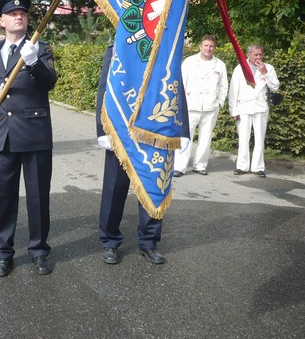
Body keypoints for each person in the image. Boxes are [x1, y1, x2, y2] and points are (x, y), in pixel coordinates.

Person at [0, 0, 57, 277]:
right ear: (2, 20)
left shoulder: (40, 48)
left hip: (34, 134)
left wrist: (33, 62)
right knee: (5, 197)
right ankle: (3, 251)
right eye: (12, 14)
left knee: (37, 197)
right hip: (5, 136)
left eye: (22, 13)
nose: (18, 16)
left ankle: (39, 249)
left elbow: (50, 83)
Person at [96, 44, 190, 265]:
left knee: (154, 187)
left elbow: (176, 86)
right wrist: (103, 130)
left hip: (155, 129)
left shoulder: (165, 46)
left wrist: (182, 129)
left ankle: (149, 242)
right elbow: (105, 88)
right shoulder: (117, 47)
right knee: (114, 189)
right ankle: (109, 241)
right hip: (121, 128)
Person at [173, 35, 228, 177]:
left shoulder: (220, 64)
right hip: (191, 106)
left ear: (214, 48)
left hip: (210, 107)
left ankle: (200, 165)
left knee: (205, 138)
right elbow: (181, 83)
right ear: (200, 46)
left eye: (211, 46)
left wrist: (219, 102)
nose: (208, 48)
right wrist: (181, 103)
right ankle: (179, 167)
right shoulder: (190, 62)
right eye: (206, 45)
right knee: (185, 138)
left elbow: (223, 86)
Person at [228, 44, 280, 177]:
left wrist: (265, 73)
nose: (258, 57)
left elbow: (275, 87)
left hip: (260, 107)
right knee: (243, 139)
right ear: (249, 55)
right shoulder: (240, 68)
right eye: (256, 54)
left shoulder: (268, 68)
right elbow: (233, 90)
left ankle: (258, 167)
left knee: (259, 139)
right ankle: (242, 166)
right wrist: (233, 110)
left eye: (260, 54)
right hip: (243, 108)